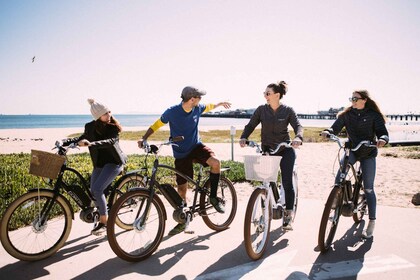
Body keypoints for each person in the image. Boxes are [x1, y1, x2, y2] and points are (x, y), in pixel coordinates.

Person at [138, 86, 231, 235]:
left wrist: (220, 103)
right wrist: (144, 138)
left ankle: (213, 197)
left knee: (215, 163)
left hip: (196, 147)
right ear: (192, 99)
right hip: (181, 153)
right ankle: (184, 219)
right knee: (182, 189)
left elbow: (209, 107)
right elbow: (157, 124)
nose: (201, 100)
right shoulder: (172, 112)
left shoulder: (198, 108)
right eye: (199, 97)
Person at [321, 90, 389, 239]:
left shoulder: (373, 115)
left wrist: (382, 139)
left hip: (368, 152)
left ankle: (371, 222)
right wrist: (328, 131)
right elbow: (335, 128)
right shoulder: (347, 114)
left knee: (369, 188)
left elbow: (382, 132)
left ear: (364, 100)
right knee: (341, 172)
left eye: (355, 98)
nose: (352, 100)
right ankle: (337, 199)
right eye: (351, 98)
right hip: (351, 150)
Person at [239, 81, 303, 230]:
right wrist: (244, 137)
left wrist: (298, 138)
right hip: (268, 149)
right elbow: (250, 125)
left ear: (277, 95)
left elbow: (298, 126)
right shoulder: (261, 110)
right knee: (265, 182)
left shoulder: (287, 110)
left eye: (268, 93)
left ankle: (288, 215)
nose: (265, 96)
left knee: (286, 182)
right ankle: (265, 214)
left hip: (285, 149)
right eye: (264, 93)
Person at [63, 99, 127, 235]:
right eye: (105, 113)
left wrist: (91, 144)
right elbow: (81, 138)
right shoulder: (90, 127)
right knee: (93, 191)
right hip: (99, 164)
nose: (109, 114)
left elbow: (110, 141)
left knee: (97, 189)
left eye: (109, 111)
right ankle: (101, 212)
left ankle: (104, 222)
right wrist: (65, 142)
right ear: (98, 116)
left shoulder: (113, 127)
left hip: (114, 162)